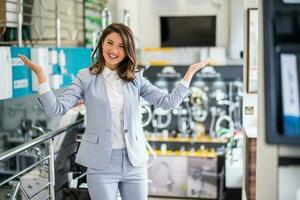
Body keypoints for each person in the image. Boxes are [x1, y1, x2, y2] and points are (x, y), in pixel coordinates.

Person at [19, 23, 211, 200]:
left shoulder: (136, 78)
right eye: (110, 43)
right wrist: (41, 76)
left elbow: (168, 102)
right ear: (102, 43)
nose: (114, 50)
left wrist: (189, 74)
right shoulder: (85, 77)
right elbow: (56, 109)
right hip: (101, 164)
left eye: (121, 46)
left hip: (134, 163)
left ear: (127, 51)